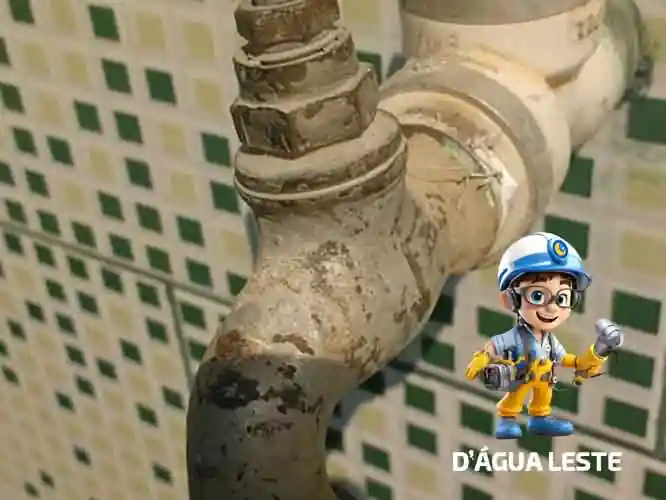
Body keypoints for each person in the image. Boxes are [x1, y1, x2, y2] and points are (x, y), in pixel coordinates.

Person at [464, 232, 623, 439]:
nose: (552, 308)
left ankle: (539, 418)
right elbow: (495, 345)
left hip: (545, 379)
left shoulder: (550, 341)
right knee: (516, 397)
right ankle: (508, 418)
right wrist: (482, 357)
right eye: (538, 295)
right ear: (511, 299)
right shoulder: (518, 336)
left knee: (543, 395)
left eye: (562, 298)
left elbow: (568, 360)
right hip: (521, 376)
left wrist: (599, 351)